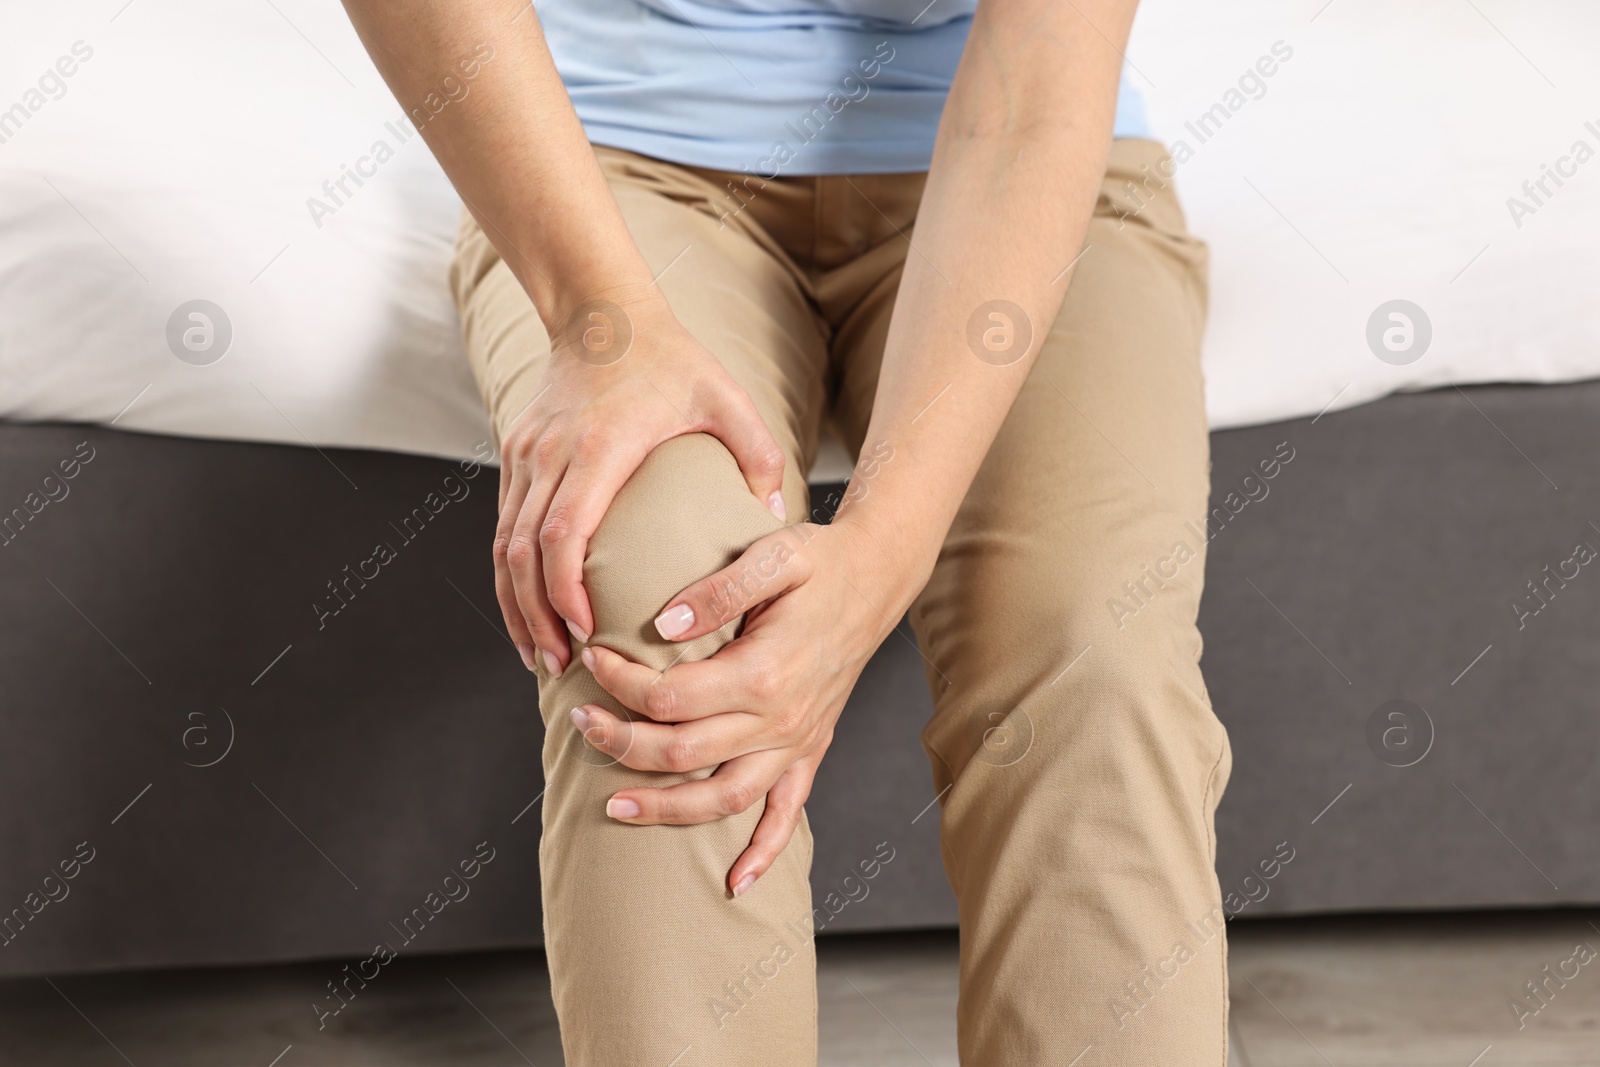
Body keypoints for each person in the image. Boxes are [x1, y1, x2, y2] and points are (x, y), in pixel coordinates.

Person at [343, 1, 1230, 1063]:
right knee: (664, 635)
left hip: (1017, 156)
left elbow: (1030, 95)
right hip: (614, 168)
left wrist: (875, 564)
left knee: (1094, 651)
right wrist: (599, 318)